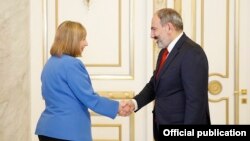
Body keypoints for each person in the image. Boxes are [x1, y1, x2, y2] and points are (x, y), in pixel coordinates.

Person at [122, 8, 211, 140]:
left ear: (169, 27)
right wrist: (135, 103)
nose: (151, 35)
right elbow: (155, 84)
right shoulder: (164, 52)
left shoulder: (192, 53)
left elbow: (196, 102)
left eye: (154, 29)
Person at [35, 21, 127, 141]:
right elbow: (88, 97)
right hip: (68, 132)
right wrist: (117, 107)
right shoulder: (72, 64)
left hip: (46, 130)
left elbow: (45, 95)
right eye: (83, 39)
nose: (86, 43)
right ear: (72, 40)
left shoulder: (50, 63)